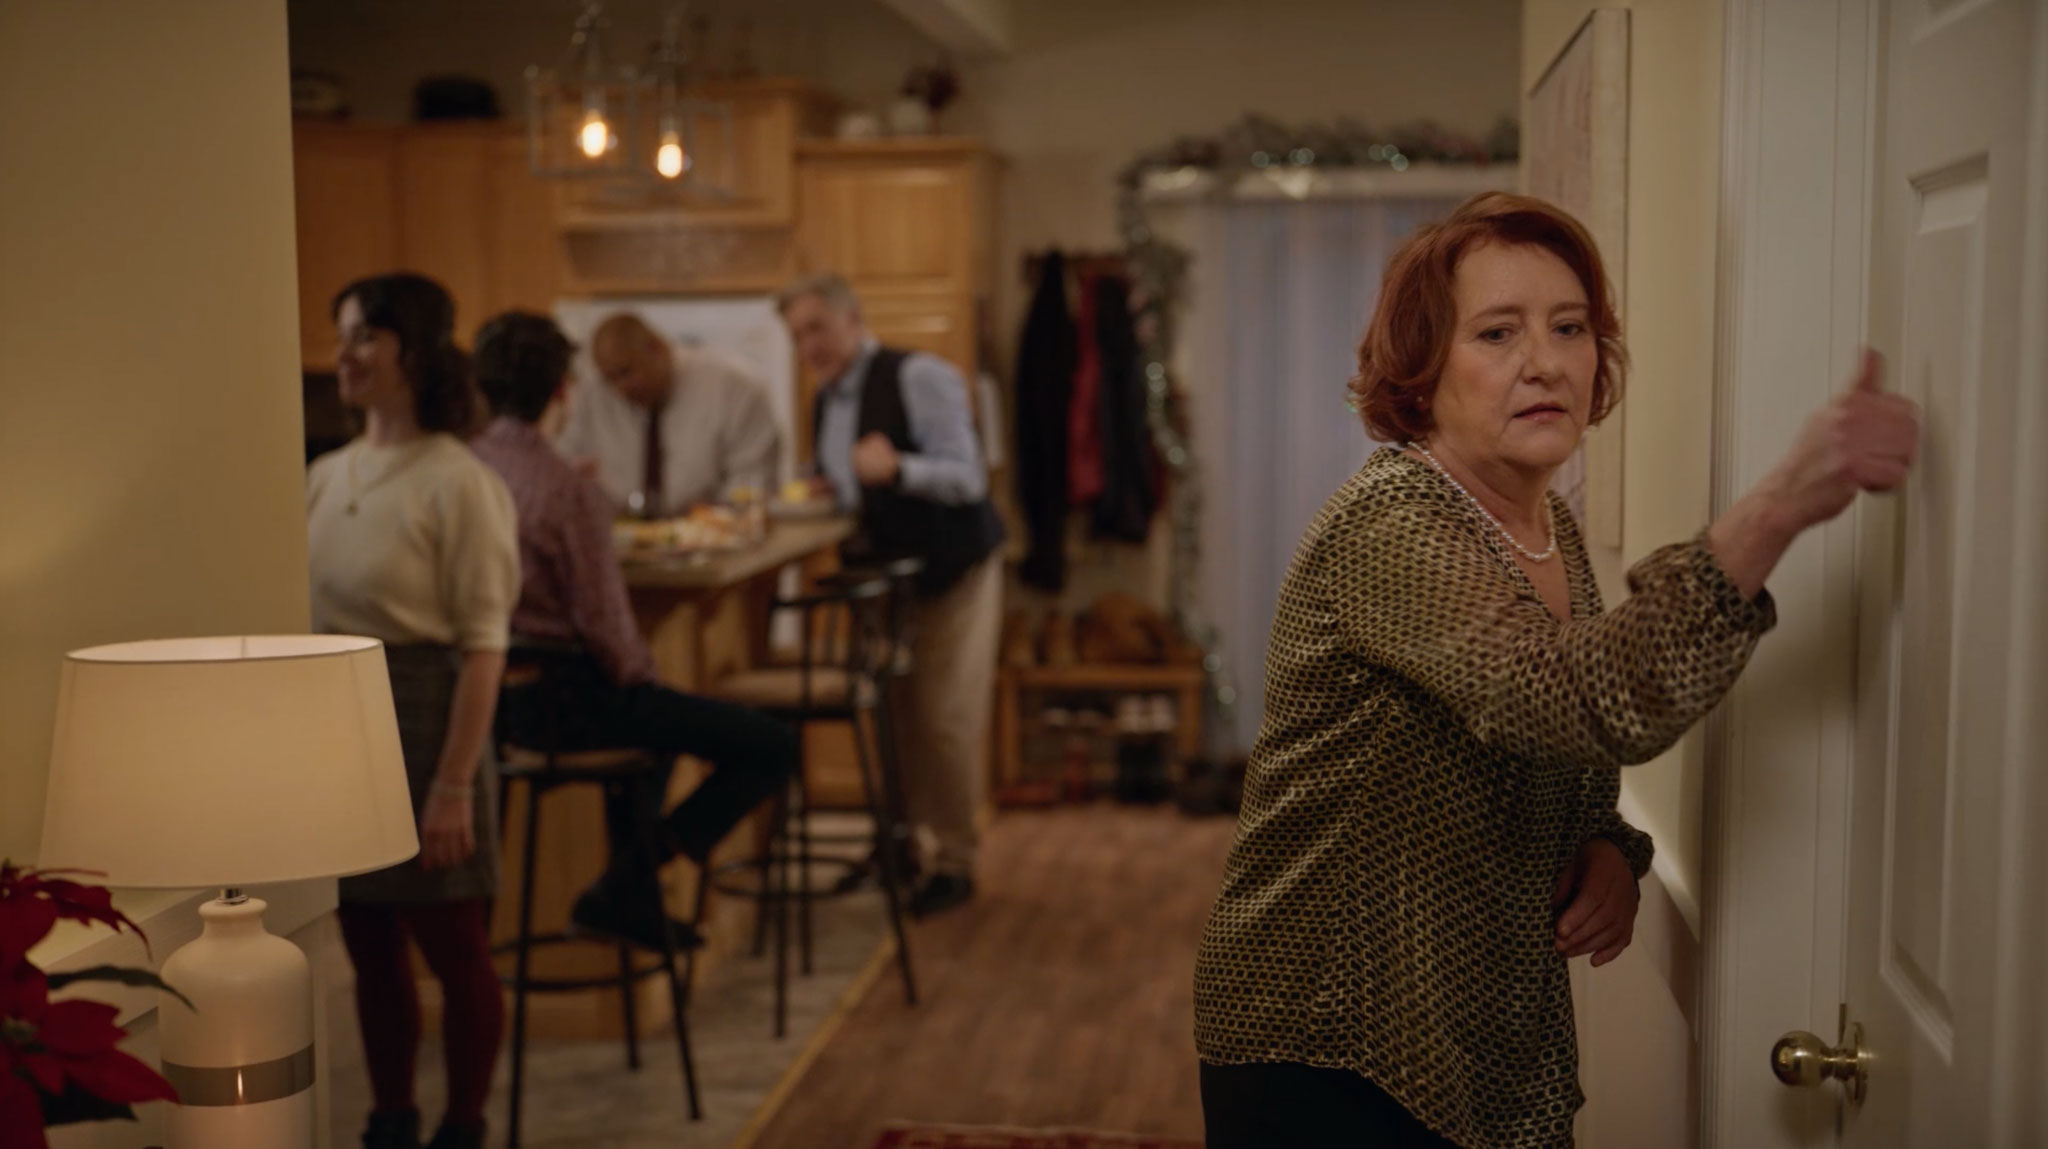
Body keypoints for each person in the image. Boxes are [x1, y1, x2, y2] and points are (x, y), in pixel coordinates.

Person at [1193, 192, 1920, 1149]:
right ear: (1422, 371)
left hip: (1476, 1030)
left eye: (1569, 327)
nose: (1545, 361)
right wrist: (1781, 504)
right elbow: (1576, 701)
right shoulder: (1392, 523)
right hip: (1328, 1033)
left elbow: (1551, 743)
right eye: (1497, 332)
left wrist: (1611, 845)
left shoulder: (1542, 524)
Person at [469, 310, 802, 951]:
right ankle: (626, 883)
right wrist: (645, 679)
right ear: (564, 390)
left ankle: (629, 899)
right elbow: (608, 631)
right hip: (564, 707)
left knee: (656, 736)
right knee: (768, 745)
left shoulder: (463, 470)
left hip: (484, 705)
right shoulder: (567, 491)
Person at [306, 273, 521, 1149]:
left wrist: (453, 785)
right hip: (340, 721)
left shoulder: (459, 481)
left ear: (415, 351)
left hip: (430, 717)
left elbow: (485, 645)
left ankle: (463, 1127)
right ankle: (390, 1121)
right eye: (343, 335)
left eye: (364, 336)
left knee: (454, 944)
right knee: (366, 939)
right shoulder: (325, 475)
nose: (344, 355)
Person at [775, 273, 1006, 918]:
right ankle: (900, 845)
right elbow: (852, 481)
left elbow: (967, 476)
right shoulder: (824, 398)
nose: (809, 346)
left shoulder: (918, 377)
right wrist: (825, 486)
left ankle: (954, 860)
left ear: (853, 320)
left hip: (953, 570)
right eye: (797, 335)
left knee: (942, 718)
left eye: (817, 328)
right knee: (892, 716)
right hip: (884, 578)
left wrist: (900, 468)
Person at [556, 310, 782, 517]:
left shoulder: (732, 388)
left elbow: (753, 486)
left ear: (656, 349)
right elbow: (563, 461)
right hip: (622, 534)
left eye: (626, 373)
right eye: (609, 379)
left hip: (715, 533)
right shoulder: (594, 394)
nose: (620, 390)